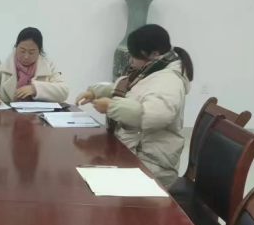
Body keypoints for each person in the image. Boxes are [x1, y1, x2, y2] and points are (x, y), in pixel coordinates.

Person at [75, 24, 194, 187]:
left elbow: (157, 114)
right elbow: (130, 90)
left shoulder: (169, 80)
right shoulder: (151, 71)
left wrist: (112, 107)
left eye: (134, 56)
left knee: (86, 179)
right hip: (134, 151)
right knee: (85, 162)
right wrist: (95, 92)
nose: (130, 61)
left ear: (154, 54)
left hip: (151, 164)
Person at [0, 27, 69, 106]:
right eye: (22, 51)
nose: (26, 56)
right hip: (9, 118)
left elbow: (64, 90)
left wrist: (35, 89)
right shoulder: (3, 65)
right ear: (16, 47)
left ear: (39, 51)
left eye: (32, 52)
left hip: (39, 119)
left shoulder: (48, 66)